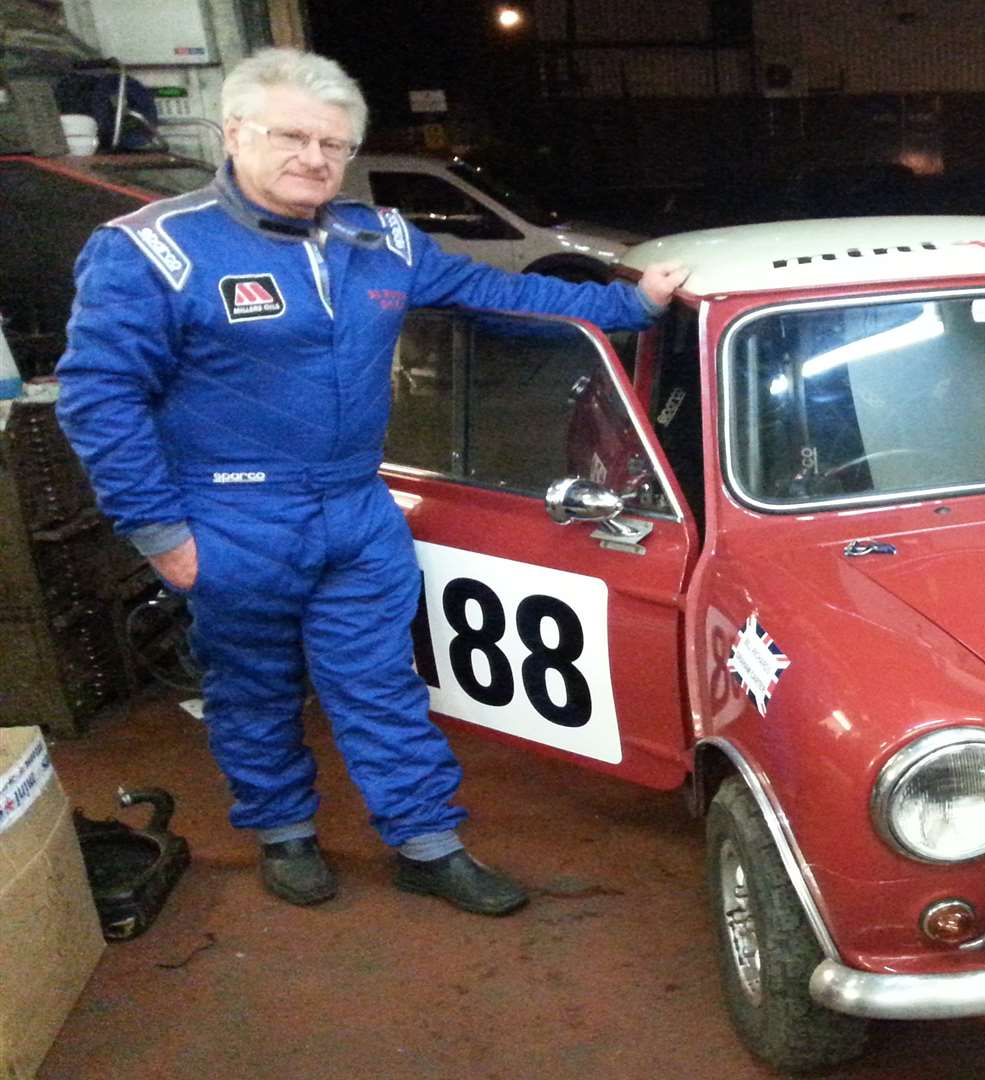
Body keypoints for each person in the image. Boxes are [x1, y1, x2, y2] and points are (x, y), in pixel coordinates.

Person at [55, 48, 688, 917]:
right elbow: (101, 401)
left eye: (334, 144)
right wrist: (162, 535)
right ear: (234, 131)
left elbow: (495, 294)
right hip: (232, 514)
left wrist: (633, 306)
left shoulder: (380, 240)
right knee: (252, 688)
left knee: (383, 683)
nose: (316, 159)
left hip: (356, 509)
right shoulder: (151, 250)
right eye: (294, 137)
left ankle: (427, 845)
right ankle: (284, 835)